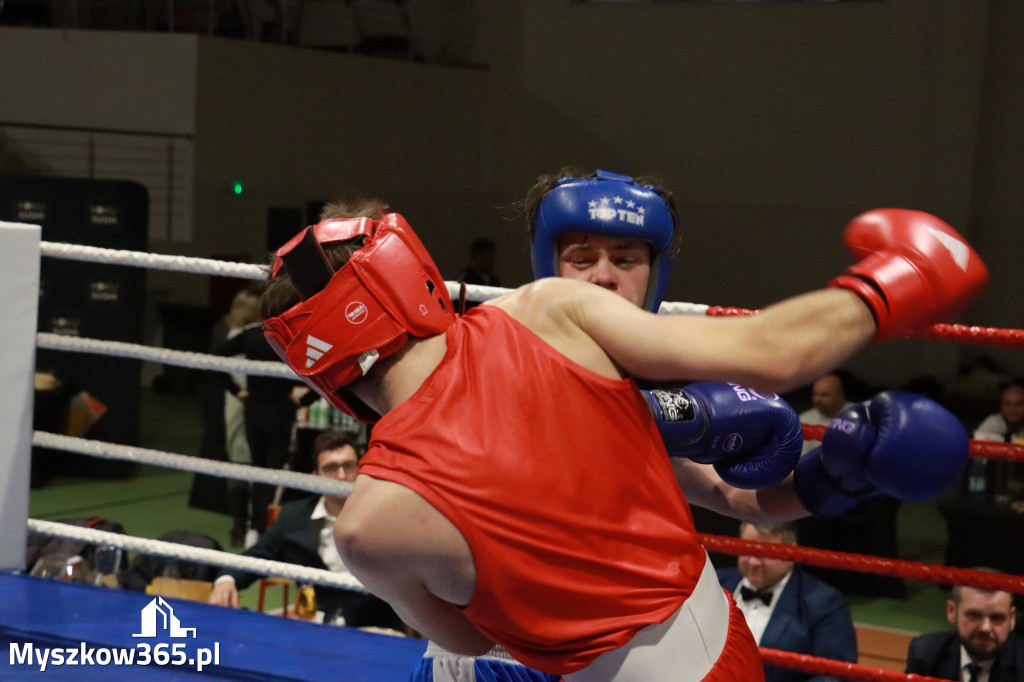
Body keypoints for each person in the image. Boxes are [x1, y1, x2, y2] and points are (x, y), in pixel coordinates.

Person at [258, 195, 983, 680]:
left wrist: (837, 473)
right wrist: (901, 279)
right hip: (703, 654)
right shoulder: (549, 316)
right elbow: (774, 353)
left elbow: (467, 639)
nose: (604, 274)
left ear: (322, 369)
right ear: (408, 273)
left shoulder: (369, 524)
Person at [208, 431, 404, 630]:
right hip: (318, 631)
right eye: (330, 468)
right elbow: (256, 556)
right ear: (315, 477)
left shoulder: (385, 516)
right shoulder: (293, 517)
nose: (342, 476)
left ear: (361, 469)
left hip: (378, 630)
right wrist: (227, 580)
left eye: (349, 465)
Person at [717, 521, 857, 682]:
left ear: (791, 553)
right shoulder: (714, 582)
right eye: (747, 549)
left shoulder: (823, 602)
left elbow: (837, 675)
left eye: (764, 553)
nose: (753, 562)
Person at [905, 575, 1024, 682]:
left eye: (997, 617)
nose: (985, 628)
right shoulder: (925, 653)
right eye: (974, 615)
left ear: (1012, 618)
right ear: (952, 611)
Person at [971, 384, 1024, 505]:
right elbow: (975, 447)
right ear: (1001, 407)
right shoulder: (993, 422)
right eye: (1008, 404)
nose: (1013, 410)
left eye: (1019, 404)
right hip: (992, 489)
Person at [799, 374, 853, 454]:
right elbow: (800, 457)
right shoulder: (804, 420)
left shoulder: (860, 415)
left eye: (824, 395)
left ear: (839, 396)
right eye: (815, 394)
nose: (817, 399)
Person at [456, 238, 501, 311]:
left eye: (493, 256)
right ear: (478, 256)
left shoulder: (494, 280)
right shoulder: (465, 278)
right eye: (489, 256)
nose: (493, 260)